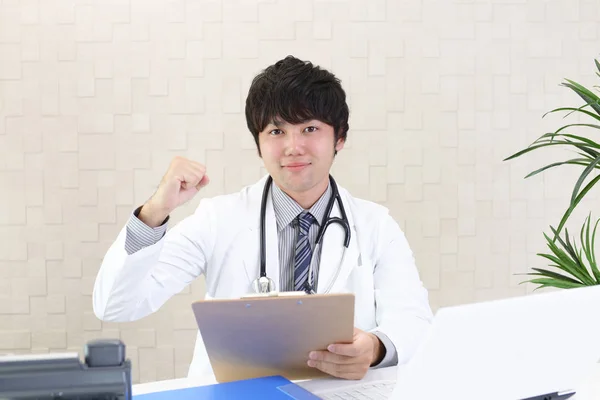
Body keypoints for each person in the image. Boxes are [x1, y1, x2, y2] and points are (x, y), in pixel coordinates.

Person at [92, 55, 433, 381]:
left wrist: (374, 347)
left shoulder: (375, 225)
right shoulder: (218, 219)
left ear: (339, 137)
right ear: (258, 143)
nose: (293, 147)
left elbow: (414, 320)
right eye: (276, 131)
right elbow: (117, 306)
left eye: (310, 129)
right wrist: (155, 211)